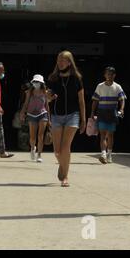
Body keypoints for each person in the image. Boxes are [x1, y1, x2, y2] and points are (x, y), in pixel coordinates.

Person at [47, 51, 86, 187]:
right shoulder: (53, 78)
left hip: (72, 115)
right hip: (56, 115)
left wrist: (84, 119)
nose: (60, 62)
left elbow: (81, 101)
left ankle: (65, 177)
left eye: (63, 60)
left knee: (65, 147)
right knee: (57, 150)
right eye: (59, 60)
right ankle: (63, 165)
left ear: (69, 62)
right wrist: (49, 97)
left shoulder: (77, 78)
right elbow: (48, 98)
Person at [91, 67, 126, 164]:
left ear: (114, 75)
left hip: (112, 113)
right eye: (107, 74)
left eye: (111, 74)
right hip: (101, 112)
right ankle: (103, 154)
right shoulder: (100, 86)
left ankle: (109, 154)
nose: (109, 76)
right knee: (102, 134)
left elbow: (122, 99)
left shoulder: (117, 87)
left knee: (110, 135)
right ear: (104, 75)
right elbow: (95, 100)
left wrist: (121, 109)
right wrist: (92, 113)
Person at [19, 74, 50, 163]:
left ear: (41, 83)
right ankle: (33, 148)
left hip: (42, 114)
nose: (36, 83)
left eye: (38, 82)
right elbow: (26, 103)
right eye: (35, 82)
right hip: (31, 114)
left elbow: (47, 106)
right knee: (32, 136)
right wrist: (22, 112)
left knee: (40, 135)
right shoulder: (29, 92)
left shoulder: (45, 92)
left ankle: (39, 154)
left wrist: (49, 119)